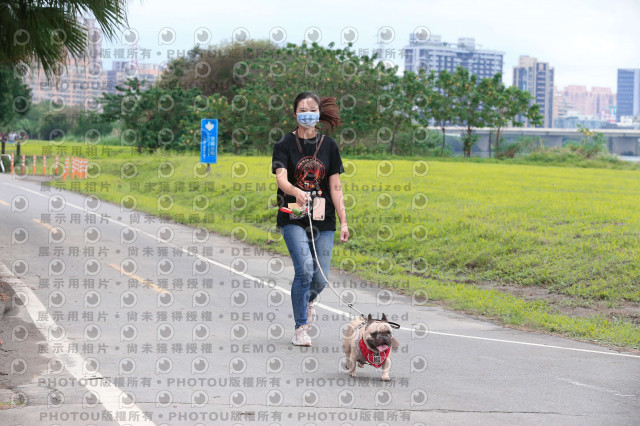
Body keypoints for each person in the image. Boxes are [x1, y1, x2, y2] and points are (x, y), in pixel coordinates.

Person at [271, 91, 350, 346]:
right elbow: (281, 177)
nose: (307, 113)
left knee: (319, 277)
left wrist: (344, 221)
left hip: (323, 220)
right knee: (304, 269)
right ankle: (300, 327)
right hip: (292, 215)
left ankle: (307, 301)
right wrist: (295, 191)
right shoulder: (284, 144)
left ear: (318, 114)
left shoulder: (330, 146)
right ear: (295, 113)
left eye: (312, 109)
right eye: (302, 109)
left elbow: (335, 187)